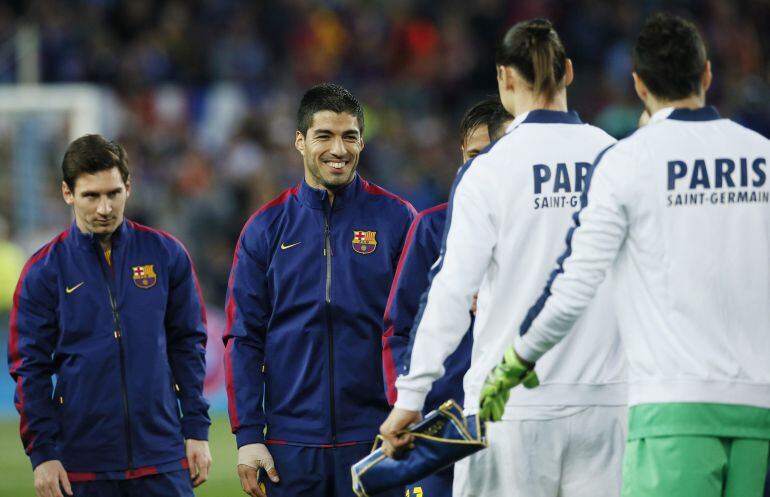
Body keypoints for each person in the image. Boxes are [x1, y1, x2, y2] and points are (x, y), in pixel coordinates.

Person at [478, 13, 770, 497]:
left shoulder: (628, 162)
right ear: (707, 75)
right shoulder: (761, 157)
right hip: (758, 408)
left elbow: (574, 286)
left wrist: (518, 358)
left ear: (637, 85)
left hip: (673, 407)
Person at [380, 19, 628, 497]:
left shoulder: (489, 170)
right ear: (569, 72)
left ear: (505, 79)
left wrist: (411, 397)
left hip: (510, 411)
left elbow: (452, 290)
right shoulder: (615, 157)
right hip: (607, 406)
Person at [225, 82, 415, 497]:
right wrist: (249, 436)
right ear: (300, 141)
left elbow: (420, 327)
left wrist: (409, 411)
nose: (339, 149)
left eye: (349, 136)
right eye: (324, 136)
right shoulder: (265, 228)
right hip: (291, 444)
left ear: (362, 141)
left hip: (378, 436)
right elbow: (243, 339)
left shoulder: (398, 220)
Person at [8, 134, 211, 497]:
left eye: (113, 193)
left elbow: (188, 346)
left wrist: (196, 429)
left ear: (128, 188)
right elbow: (30, 369)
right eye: (91, 196)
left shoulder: (166, 254)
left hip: (162, 456)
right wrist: (43, 454)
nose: (104, 208)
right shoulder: (43, 271)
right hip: (82, 464)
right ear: (68, 193)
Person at [382, 96, 512, 497]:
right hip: (438, 431)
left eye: (495, 154)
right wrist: (409, 399)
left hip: (511, 428)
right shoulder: (432, 228)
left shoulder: (533, 234)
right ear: (460, 154)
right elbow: (397, 329)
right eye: (474, 154)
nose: (482, 166)